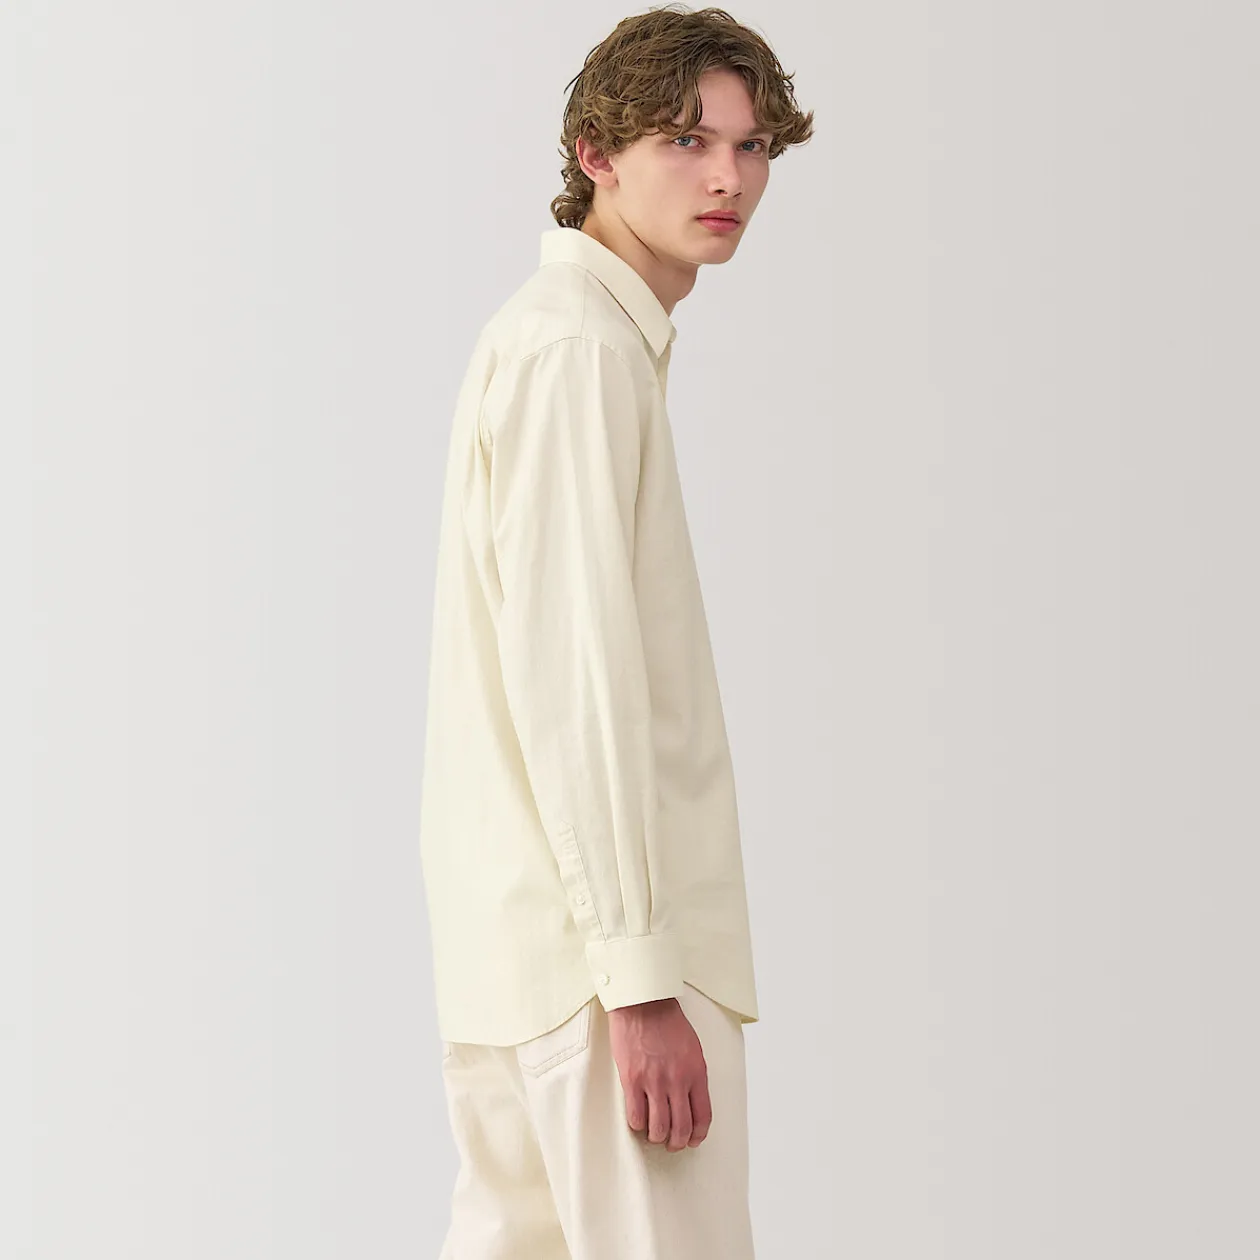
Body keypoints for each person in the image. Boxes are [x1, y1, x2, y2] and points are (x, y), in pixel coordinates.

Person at [417, 7, 814, 1256]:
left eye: (750, 147)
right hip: (602, 985)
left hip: (532, 971)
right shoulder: (578, 353)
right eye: (687, 140)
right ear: (596, 153)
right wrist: (641, 982)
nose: (726, 177)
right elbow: (576, 681)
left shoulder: (564, 344)